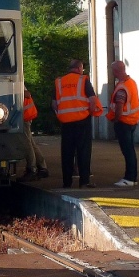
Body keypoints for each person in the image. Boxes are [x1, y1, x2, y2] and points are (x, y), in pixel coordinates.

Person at [53, 59, 102, 188]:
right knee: (83, 151)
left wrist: (61, 114)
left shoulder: (59, 82)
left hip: (66, 122)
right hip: (82, 120)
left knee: (67, 152)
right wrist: (90, 113)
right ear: (79, 68)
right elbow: (92, 100)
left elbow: (54, 103)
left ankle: (67, 182)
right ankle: (84, 181)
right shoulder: (83, 80)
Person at [107, 61, 139, 187]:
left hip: (123, 122)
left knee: (128, 151)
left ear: (116, 71)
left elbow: (119, 106)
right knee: (130, 150)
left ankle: (130, 178)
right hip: (132, 121)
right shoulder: (130, 83)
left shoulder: (122, 87)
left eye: (112, 70)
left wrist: (116, 119)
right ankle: (132, 177)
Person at [18, 88, 49, 182]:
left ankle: (32, 169)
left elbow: (27, 94)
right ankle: (42, 168)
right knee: (31, 143)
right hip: (24, 116)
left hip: (22, 117)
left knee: (27, 143)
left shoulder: (18, 82)